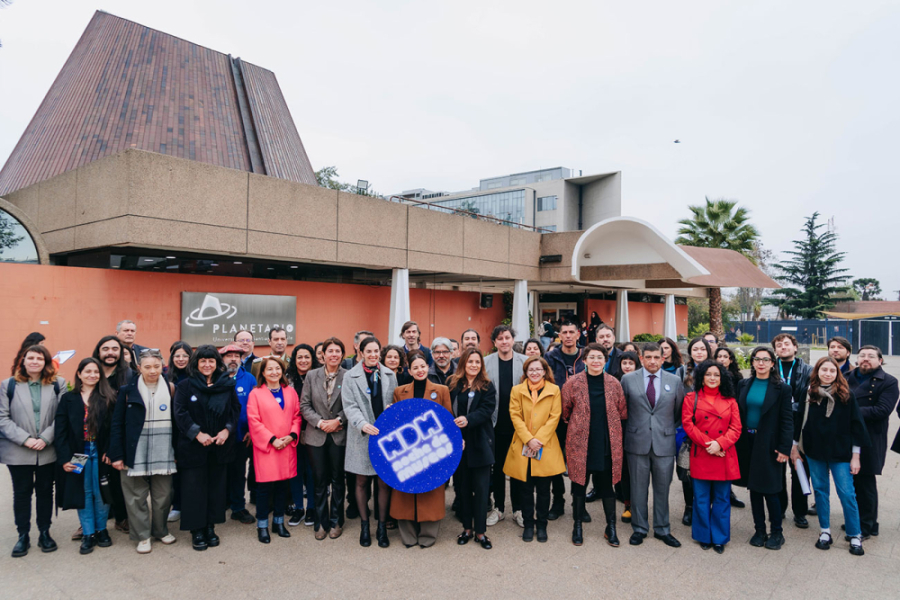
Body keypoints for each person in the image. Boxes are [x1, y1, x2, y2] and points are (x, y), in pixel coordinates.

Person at [793, 357, 870, 556]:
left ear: (837, 373)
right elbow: (799, 419)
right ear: (817, 371)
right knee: (820, 491)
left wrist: (856, 456)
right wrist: (794, 447)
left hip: (841, 453)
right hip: (814, 451)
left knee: (847, 493)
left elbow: (856, 427)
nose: (827, 373)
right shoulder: (808, 393)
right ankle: (825, 531)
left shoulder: (846, 395)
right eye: (823, 369)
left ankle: (854, 534)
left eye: (832, 370)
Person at [108, 348, 177, 554]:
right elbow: (117, 424)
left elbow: (179, 421)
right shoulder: (127, 391)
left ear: (162, 367)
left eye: (156, 366)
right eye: (147, 367)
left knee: (163, 494)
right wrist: (117, 454)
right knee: (135, 496)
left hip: (164, 449)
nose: (152, 371)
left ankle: (160, 530)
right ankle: (142, 535)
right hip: (134, 449)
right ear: (139, 368)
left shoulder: (172, 388)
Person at [173, 345, 240, 551]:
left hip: (219, 446)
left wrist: (227, 431)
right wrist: (197, 434)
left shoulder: (227, 384)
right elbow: (180, 413)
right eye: (203, 361)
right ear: (196, 363)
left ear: (217, 364)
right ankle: (197, 530)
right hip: (193, 447)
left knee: (216, 488)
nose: (207, 365)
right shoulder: (185, 386)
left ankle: (210, 527)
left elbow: (234, 411)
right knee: (194, 489)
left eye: (211, 361)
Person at [0, 345, 65, 557]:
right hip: (18, 450)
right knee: (22, 493)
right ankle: (23, 535)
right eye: (31, 358)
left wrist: (46, 437)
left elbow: (63, 416)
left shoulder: (58, 384)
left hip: (48, 449)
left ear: (46, 362)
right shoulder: (8, 385)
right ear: (23, 361)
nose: (35, 361)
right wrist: (26, 439)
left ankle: (44, 532)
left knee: (46, 492)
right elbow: (2, 418)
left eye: (39, 358)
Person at [561, 344, 628, 547]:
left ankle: (611, 527)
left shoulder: (614, 383)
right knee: (579, 486)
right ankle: (577, 526)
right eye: (592, 357)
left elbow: (622, 411)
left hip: (607, 442)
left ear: (606, 360)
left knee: (607, 486)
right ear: (585, 360)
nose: (596, 361)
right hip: (580, 443)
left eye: (600, 357)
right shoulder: (573, 383)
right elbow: (565, 412)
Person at [620, 342, 685, 548]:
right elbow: (623, 410)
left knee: (662, 488)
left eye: (657, 357)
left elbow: (678, 412)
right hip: (636, 441)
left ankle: (662, 528)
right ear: (642, 359)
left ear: (663, 358)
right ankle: (639, 528)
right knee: (638, 488)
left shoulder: (674, 381)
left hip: (664, 443)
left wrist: (664, 430)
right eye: (648, 357)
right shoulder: (628, 379)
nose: (653, 361)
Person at [390, 351, 453, 548]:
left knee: (431, 490)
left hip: (432, 448)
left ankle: (428, 534)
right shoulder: (400, 392)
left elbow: (448, 419)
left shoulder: (441, 390)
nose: (419, 370)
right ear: (409, 370)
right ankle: (408, 534)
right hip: (407, 449)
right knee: (405, 491)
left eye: (423, 367)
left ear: (428, 368)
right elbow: (395, 422)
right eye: (415, 367)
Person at [734, 346, 793, 550]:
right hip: (747, 443)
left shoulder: (782, 388)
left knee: (771, 490)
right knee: (754, 489)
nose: (761, 363)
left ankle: (777, 532)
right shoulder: (743, 384)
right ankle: (759, 530)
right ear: (752, 362)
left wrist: (785, 448)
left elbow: (787, 420)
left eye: (765, 359)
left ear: (772, 363)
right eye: (757, 359)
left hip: (770, 445)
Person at [502, 356, 566, 543]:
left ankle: (542, 524)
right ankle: (529, 524)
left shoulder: (554, 390)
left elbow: (555, 417)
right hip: (524, 444)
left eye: (538, 369)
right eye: (531, 370)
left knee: (544, 490)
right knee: (526, 489)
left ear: (545, 371)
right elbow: (515, 416)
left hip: (545, 445)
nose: (535, 373)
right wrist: (529, 439)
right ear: (526, 372)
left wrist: (539, 440)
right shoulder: (517, 390)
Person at [55, 358, 116, 554]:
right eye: (87, 371)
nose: (92, 375)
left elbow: (114, 429)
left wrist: (111, 451)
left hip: (101, 451)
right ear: (79, 374)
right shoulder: (68, 399)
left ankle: (102, 530)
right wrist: (65, 459)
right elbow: (61, 432)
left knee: (101, 492)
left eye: (96, 372)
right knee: (84, 491)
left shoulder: (108, 397)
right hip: (79, 453)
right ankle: (88, 533)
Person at [342, 336, 398, 548]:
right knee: (362, 481)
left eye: (377, 351)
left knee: (383, 482)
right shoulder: (350, 376)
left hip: (384, 436)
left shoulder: (389, 374)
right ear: (361, 352)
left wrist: (391, 409)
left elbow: (393, 400)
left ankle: (382, 527)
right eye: (369, 351)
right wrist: (362, 423)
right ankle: (365, 526)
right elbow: (349, 405)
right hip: (362, 435)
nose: (374, 355)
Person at [681, 361, 741, 554]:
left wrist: (720, 444)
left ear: (722, 378)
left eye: (716, 374)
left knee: (722, 498)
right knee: (701, 498)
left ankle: (720, 537)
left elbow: (736, 428)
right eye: (708, 374)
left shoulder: (730, 401)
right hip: (702, 453)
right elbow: (688, 425)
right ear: (702, 377)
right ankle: (703, 536)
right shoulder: (691, 398)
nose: (713, 378)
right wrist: (710, 445)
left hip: (724, 454)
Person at [845, 345, 899, 540]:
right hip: (846, 436)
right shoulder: (846, 377)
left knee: (865, 481)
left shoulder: (889, 382)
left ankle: (867, 526)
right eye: (862, 356)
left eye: (870, 356)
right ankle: (859, 519)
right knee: (850, 481)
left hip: (870, 439)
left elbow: (882, 410)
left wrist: (850, 413)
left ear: (880, 360)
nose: (865, 359)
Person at [247, 356, 302, 543]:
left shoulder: (290, 392)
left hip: (286, 446)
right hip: (267, 448)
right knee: (264, 489)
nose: (274, 372)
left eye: (277, 368)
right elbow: (253, 421)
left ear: (282, 370)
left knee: (282, 487)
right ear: (262, 372)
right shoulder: (255, 394)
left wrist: (292, 436)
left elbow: (297, 416)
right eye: (269, 369)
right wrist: (271, 440)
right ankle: (262, 525)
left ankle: (278, 523)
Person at [448, 348, 497, 550]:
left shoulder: (487, 386)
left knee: (481, 490)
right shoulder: (452, 384)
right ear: (463, 364)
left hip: (479, 443)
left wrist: (468, 420)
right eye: (470, 362)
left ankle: (481, 532)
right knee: (463, 489)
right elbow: (445, 408)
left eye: (477, 362)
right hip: (457, 443)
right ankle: (467, 529)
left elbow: (486, 411)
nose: (474, 365)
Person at [301, 337, 348, 540]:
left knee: (338, 480)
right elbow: (304, 405)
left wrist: (338, 421)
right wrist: (321, 423)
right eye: (330, 351)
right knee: (319, 481)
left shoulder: (349, 376)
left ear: (342, 355)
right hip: (316, 436)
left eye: (338, 351)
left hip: (339, 435)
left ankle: (337, 521)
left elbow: (353, 404)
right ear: (323, 355)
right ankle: (321, 522)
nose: (334, 354)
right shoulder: (312, 375)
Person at [483, 325, 526, 527]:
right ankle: (499, 508)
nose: (504, 342)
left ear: (512, 340)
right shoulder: (486, 363)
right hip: (495, 424)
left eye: (507, 337)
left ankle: (518, 509)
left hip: (520, 426)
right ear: (494, 342)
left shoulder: (525, 362)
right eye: (499, 338)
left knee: (518, 470)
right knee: (498, 469)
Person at [771, 333, 814, 529]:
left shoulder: (808, 370)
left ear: (795, 348)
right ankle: (779, 508)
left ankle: (800, 512)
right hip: (776, 427)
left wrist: (791, 408)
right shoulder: (770, 368)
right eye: (779, 345)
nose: (783, 347)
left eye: (787, 344)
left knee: (799, 470)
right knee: (777, 469)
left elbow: (809, 399)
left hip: (800, 428)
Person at [90, 336, 132, 534]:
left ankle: (122, 517)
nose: (110, 352)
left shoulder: (128, 375)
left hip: (117, 437)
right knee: (91, 481)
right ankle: (90, 521)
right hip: (90, 437)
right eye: (105, 348)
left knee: (118, 480)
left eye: (115, 348)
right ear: (98, 352)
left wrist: (113, 445)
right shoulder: (91, 373)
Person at [220, 345, 258, 526]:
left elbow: (255, 407)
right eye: (229, 356)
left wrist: (252, 430)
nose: (233, 359)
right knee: (220, 472)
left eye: (237, 356)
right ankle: (219, 504)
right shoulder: (215, 378)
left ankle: (237, 507)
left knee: (238, 472)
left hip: (242, 435)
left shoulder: (249, 378)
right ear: (222, 359)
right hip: (219, 437)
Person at [678, 337, 713, 525]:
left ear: (708, 351)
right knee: (687, 470)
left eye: (702, 349)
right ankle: (689, 507)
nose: (699, 352)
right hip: (688, 426)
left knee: (708, 471)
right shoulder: (682, 371)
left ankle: (706, 507)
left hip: (711, 428)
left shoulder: (715, 370)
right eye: (695, 349)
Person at [285, 343, 317, 527]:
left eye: (307, 357)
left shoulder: (318, 377)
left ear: (312, 359)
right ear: (294, 359)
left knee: (312, 472)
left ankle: (311, 507)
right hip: (292, 433)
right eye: (300, 357)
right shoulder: (287, 379)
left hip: (314, 430)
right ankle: (298, 508)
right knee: (295, 472)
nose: (303, 360)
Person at [165, 341, 192, 522]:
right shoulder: (165, 376)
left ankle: (190, 504)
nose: (181, 359)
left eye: (184, 356)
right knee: (175, 469)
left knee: (190, 470)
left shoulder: (196, 376)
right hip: (171, 426)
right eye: (177, 356)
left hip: (191, 426)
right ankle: (177, 505)